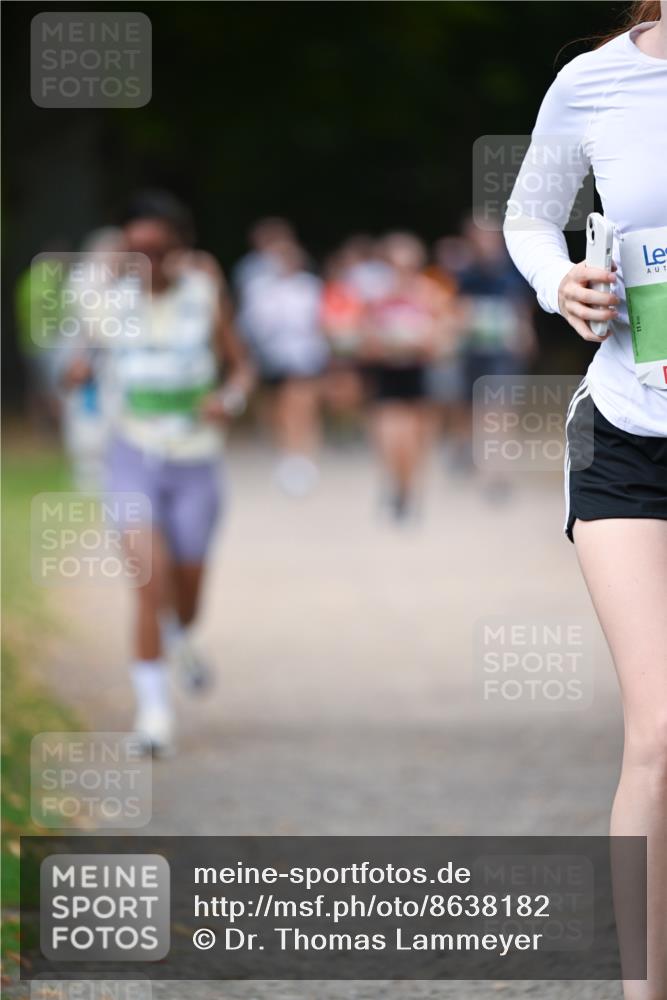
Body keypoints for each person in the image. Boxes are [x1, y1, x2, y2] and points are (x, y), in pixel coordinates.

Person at [504, 4, 667, 996]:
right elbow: (529, 213)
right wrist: (560, 280)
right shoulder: (593, 80)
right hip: (626, 434)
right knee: (659, 731)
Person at [65, 192, 252, 755]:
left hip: (196, 460)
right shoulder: (107, 302)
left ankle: (182, 636)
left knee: (186, 594)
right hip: (132, 456)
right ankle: (153, 716)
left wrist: (231, 398)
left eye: (159, 248)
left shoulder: (204, 294)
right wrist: (75, 372)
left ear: (180, 249)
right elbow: (79, 360)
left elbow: (240, 364)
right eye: (136, 249)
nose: (148, 260)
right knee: (150, 583)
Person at [363, 233, 446, 521]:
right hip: (386, 373)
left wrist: (422, 343)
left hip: (417, 373)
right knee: (388, 435)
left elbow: (442, 339)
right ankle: (394, 485)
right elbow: (364, 338)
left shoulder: (428, 293)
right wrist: (385, 344)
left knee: (412, 438)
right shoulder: (377, 295)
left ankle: (409, 490)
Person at [242, 239, 328, 496]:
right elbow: (254, 322)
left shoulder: (309, 286)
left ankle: (304, 456)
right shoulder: (260, 288)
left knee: (302, 403)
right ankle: (288, 454)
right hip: (273, 355)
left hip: (304, 355)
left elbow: (318, 319)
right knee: (277, 408)